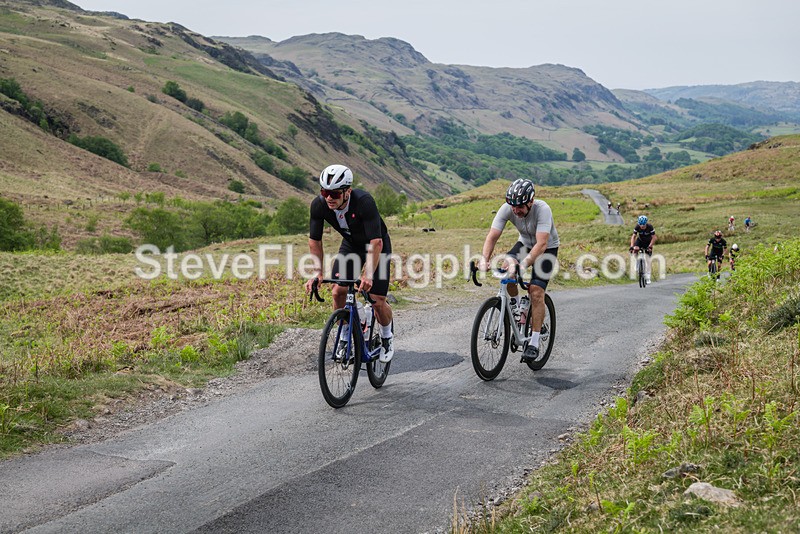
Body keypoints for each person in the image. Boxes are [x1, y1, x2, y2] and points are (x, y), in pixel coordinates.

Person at [304, 164, 395, 363]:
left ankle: (387, 336)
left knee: (376, 299)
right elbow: (314, 241)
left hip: (377, 244)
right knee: (338, 291)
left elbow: (376, 242)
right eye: (325, 192)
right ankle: (346, 335)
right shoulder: (319, 205)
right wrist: (318, 272)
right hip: (352, 245)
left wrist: (368, 274)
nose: (329, 198)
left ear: (347, 192)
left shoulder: (364, 202)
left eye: (335, 194)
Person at [478, 179, 559, 364]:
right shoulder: (507, 208)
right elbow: (492, 236)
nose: (515, 210)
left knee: (536, 292)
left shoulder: (543, 209)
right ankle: (515, 308)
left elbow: (541, 244)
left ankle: (535, 343)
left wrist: (525, 264)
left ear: (531, 201)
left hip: (546, 249)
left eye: (520, 206)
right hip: (524, 244)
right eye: (512, 206)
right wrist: (484, 259)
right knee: (508, 268)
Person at [630, 215, 657, 284]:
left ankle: (648, 277)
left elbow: (654, 238)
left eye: (643, 225)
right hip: (640, 241)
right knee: (635, 250)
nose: (642, 226)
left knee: (648, 260)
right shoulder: (637, 226)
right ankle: (636, 263)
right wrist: (632, 246)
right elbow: (633, 236)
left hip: (648, 242)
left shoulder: (650, 227)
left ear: (646, 223)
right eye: (640, 224)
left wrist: (650, 246)